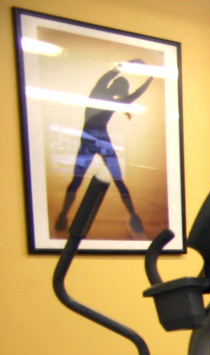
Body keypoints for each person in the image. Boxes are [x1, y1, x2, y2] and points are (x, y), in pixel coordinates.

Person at [54, 60, 154, 235]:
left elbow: (135, 93)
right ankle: (63, 215)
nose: (121, 94)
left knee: (115, 179)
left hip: (98, 137)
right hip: (93, 136)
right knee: (82, 179)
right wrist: (133, 66)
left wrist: (152, 75)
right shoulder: (100, 91)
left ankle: (132, 215)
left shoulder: (113, 99)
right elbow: (114, 76)